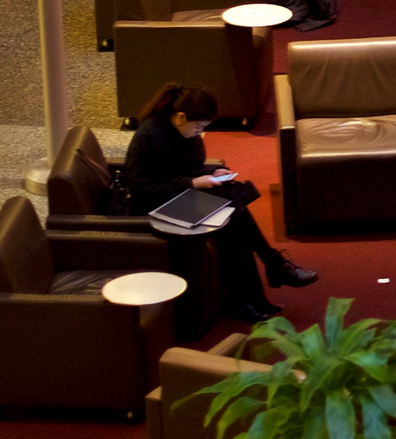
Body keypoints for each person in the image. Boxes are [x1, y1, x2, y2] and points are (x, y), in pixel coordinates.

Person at [122, 82, 315, 323]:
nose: (200, 132)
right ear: (181, 117)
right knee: (233, 208)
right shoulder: (148, 136)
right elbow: (143, 191)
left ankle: (250, 293)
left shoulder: (184, 134)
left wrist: (212, 172)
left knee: (232, 212)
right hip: (154, 212)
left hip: (179, 201)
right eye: (199, 126)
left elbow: (186, 170)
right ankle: (270, 268)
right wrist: (193, 184)